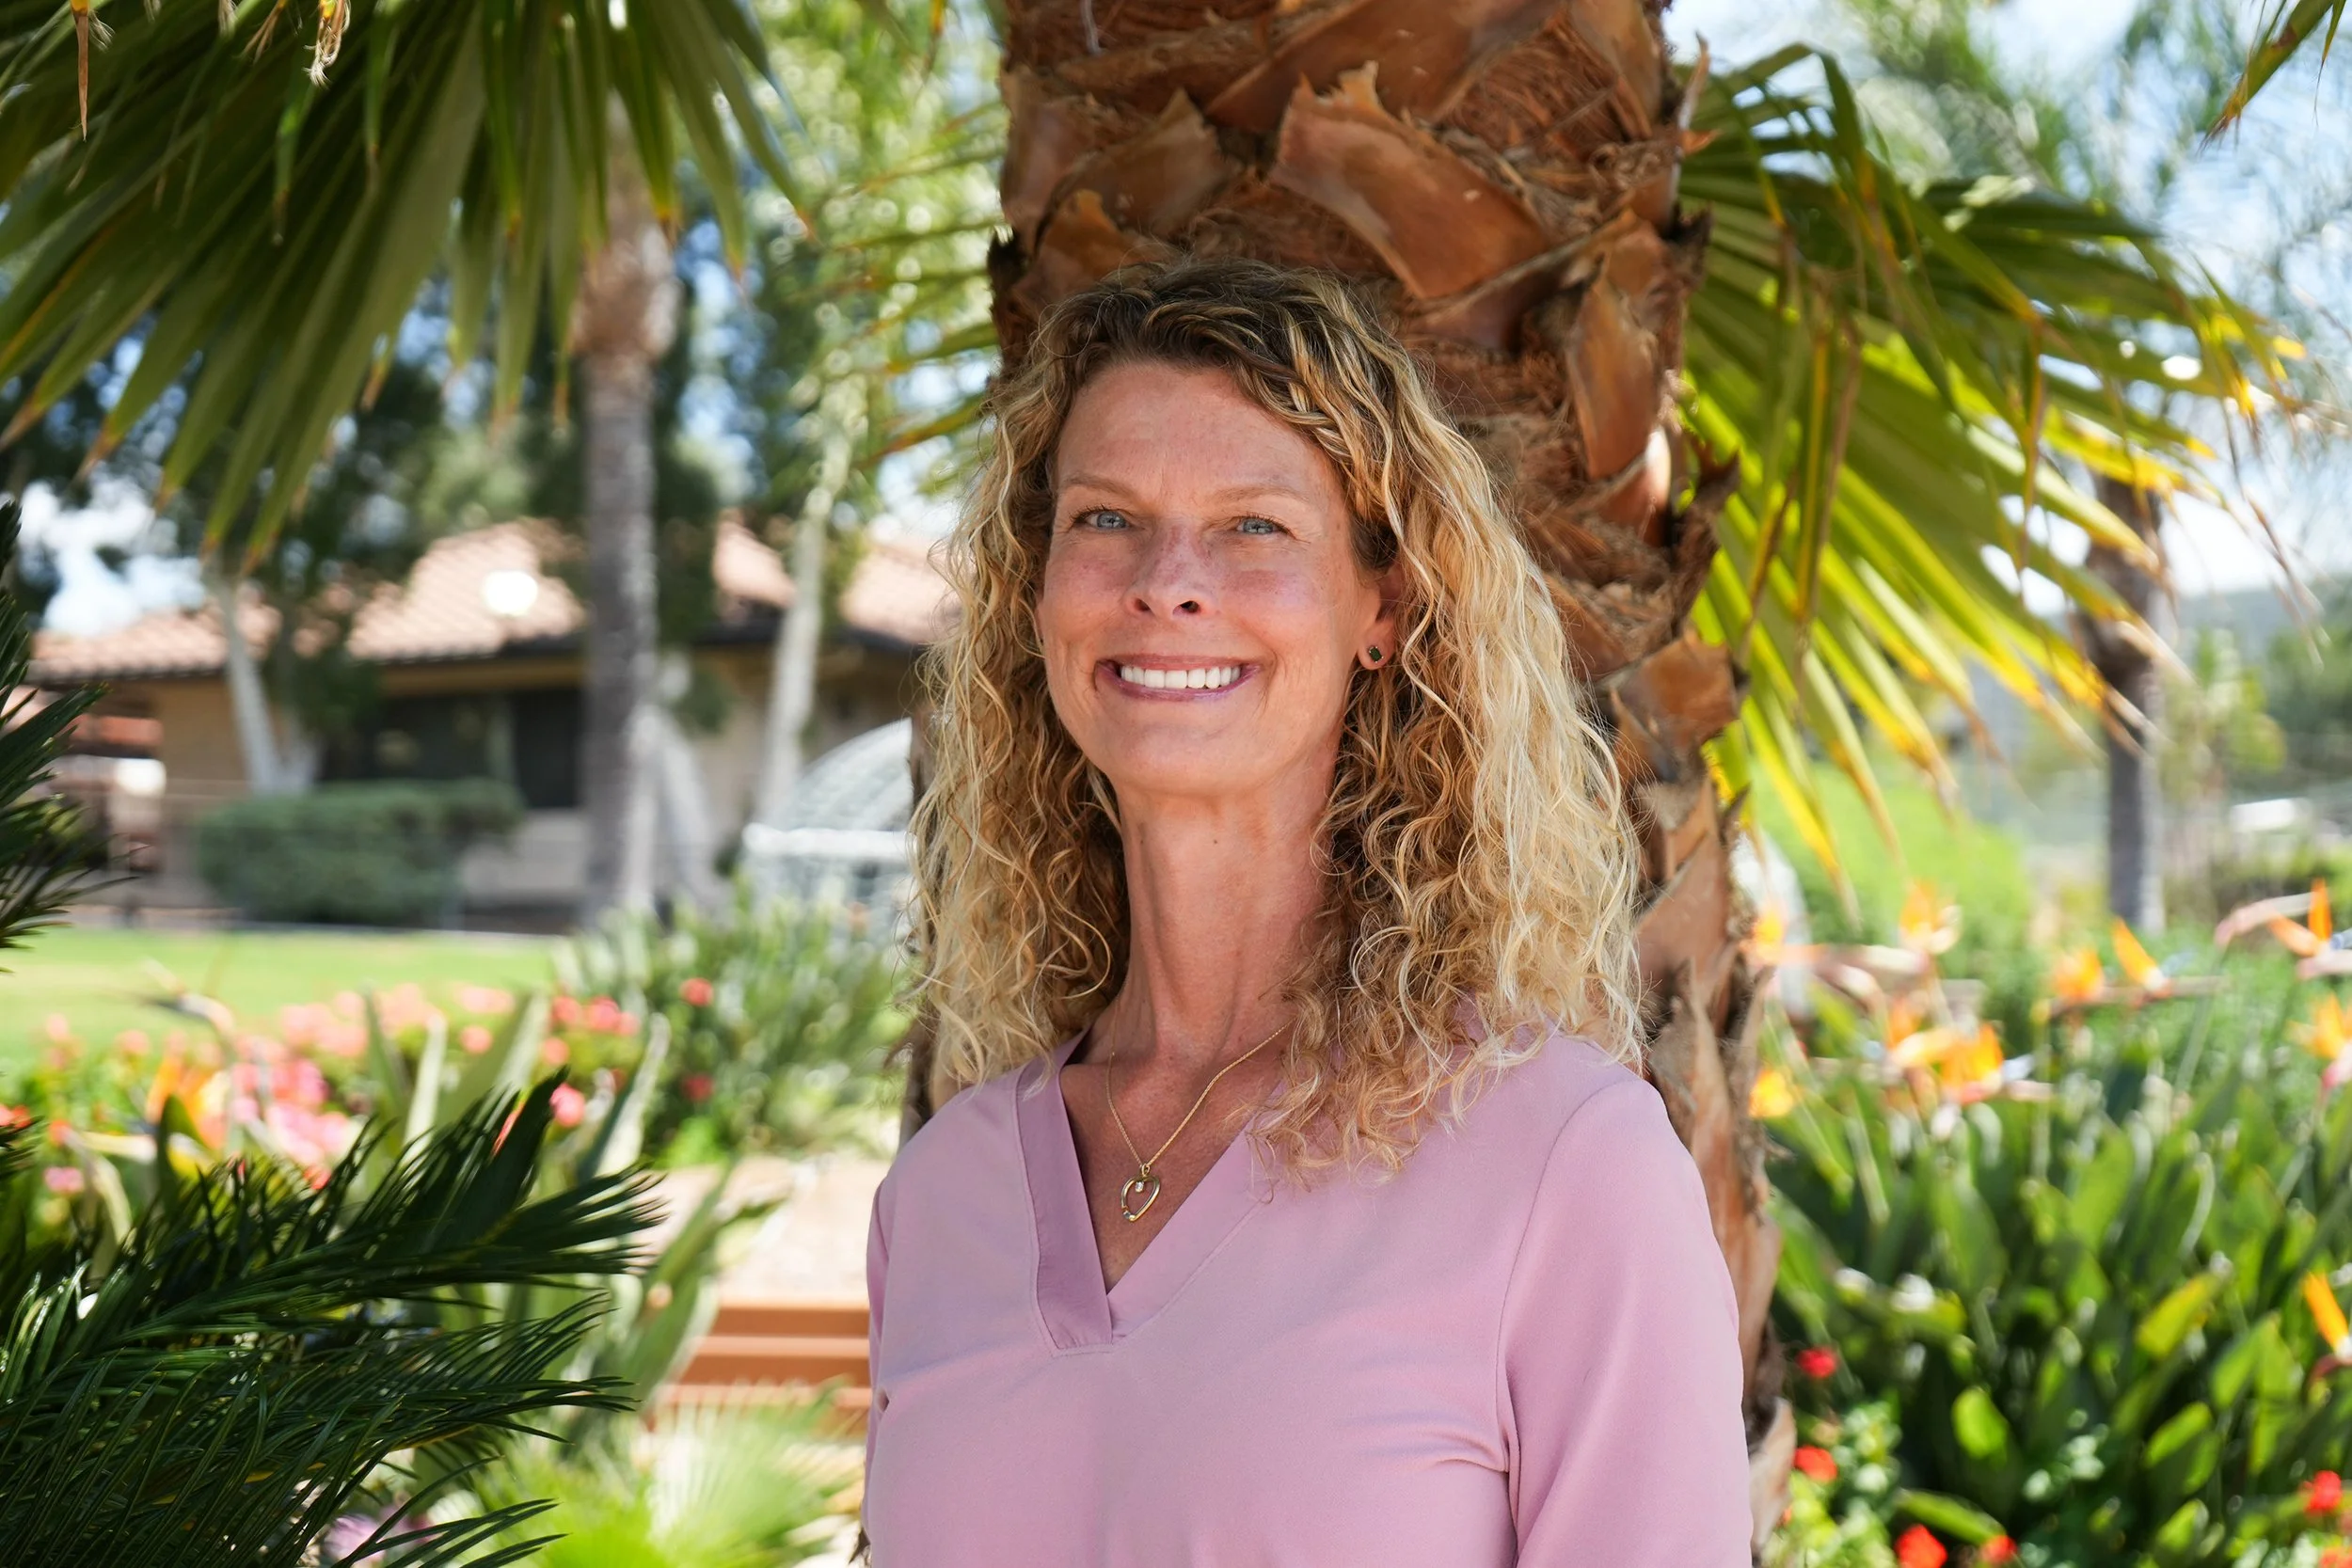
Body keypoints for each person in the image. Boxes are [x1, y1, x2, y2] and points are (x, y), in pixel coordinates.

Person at [863, 256, 1751, 1565]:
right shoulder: (944, 1194)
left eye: (1254, 527)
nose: (1168, 580)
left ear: (1381, 606)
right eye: (1105, 518)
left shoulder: (1565, 1167)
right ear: (1036, 594)